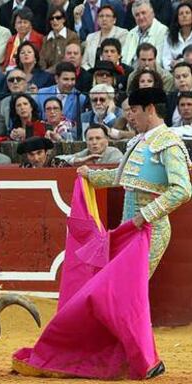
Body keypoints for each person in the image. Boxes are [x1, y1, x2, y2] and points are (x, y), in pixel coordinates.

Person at [77, 87, 192, 279]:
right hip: (128, 226)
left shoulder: (168, 143)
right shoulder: (140, 141)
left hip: (151, 230)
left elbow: (182, 190)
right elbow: (122, 175)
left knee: (130, 285)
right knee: (122, 284)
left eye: (134, 110)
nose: (130, 117)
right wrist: (91, 175)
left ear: (150, 109)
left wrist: (145, 215)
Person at [122, 0, 168, 67]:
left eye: (143, 13)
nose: (141, 17)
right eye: (137, 15)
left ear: (152, 13)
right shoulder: (131, 33)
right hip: (130, 73)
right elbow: (124, 58)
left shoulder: (163, 31)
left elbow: (158, 61)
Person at [82, 4, 128, 70]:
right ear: (97, 20)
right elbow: (84, 62)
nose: (104, 19)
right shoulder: (90, 37)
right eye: (101, 16)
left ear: (114, 20)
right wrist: (91, 72)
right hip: (92, 73)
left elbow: (122, 58)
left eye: (108, 16)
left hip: (114, 71)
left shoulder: (123, 34)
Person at [57, 123, 123, 166]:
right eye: (90, 139)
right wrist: (77, 161)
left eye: (98, 138)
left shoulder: (114, 153)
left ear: (107, 140)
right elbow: (57, 159)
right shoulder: (86, 153)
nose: (94, 142)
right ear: (86, 142)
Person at [39, 6, 79, 74]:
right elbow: (42, 59)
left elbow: (69, 58)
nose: (55, 20)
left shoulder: (72, 36)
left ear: (63, 19)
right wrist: (44, 72)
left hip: (65, 72)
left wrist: (50, 71)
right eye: (52, 18)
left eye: (58, 18)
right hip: (46, 74)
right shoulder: (46, 39)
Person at [2, 7, 43, 72]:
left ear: (31, 24)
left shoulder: (39, 39)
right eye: (19, 22)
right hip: (10, 71)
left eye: (25, 22)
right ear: (15, 25)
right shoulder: (11, 40)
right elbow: (6, 62)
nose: (22, 25)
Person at [162, 1, 192, 71]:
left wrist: (181, 62)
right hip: (174, 71)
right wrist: (173, 65)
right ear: (177, 18)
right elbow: (165, 60)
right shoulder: (169, 36)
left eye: (187, 13)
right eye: (181, 14)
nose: (184, 15)